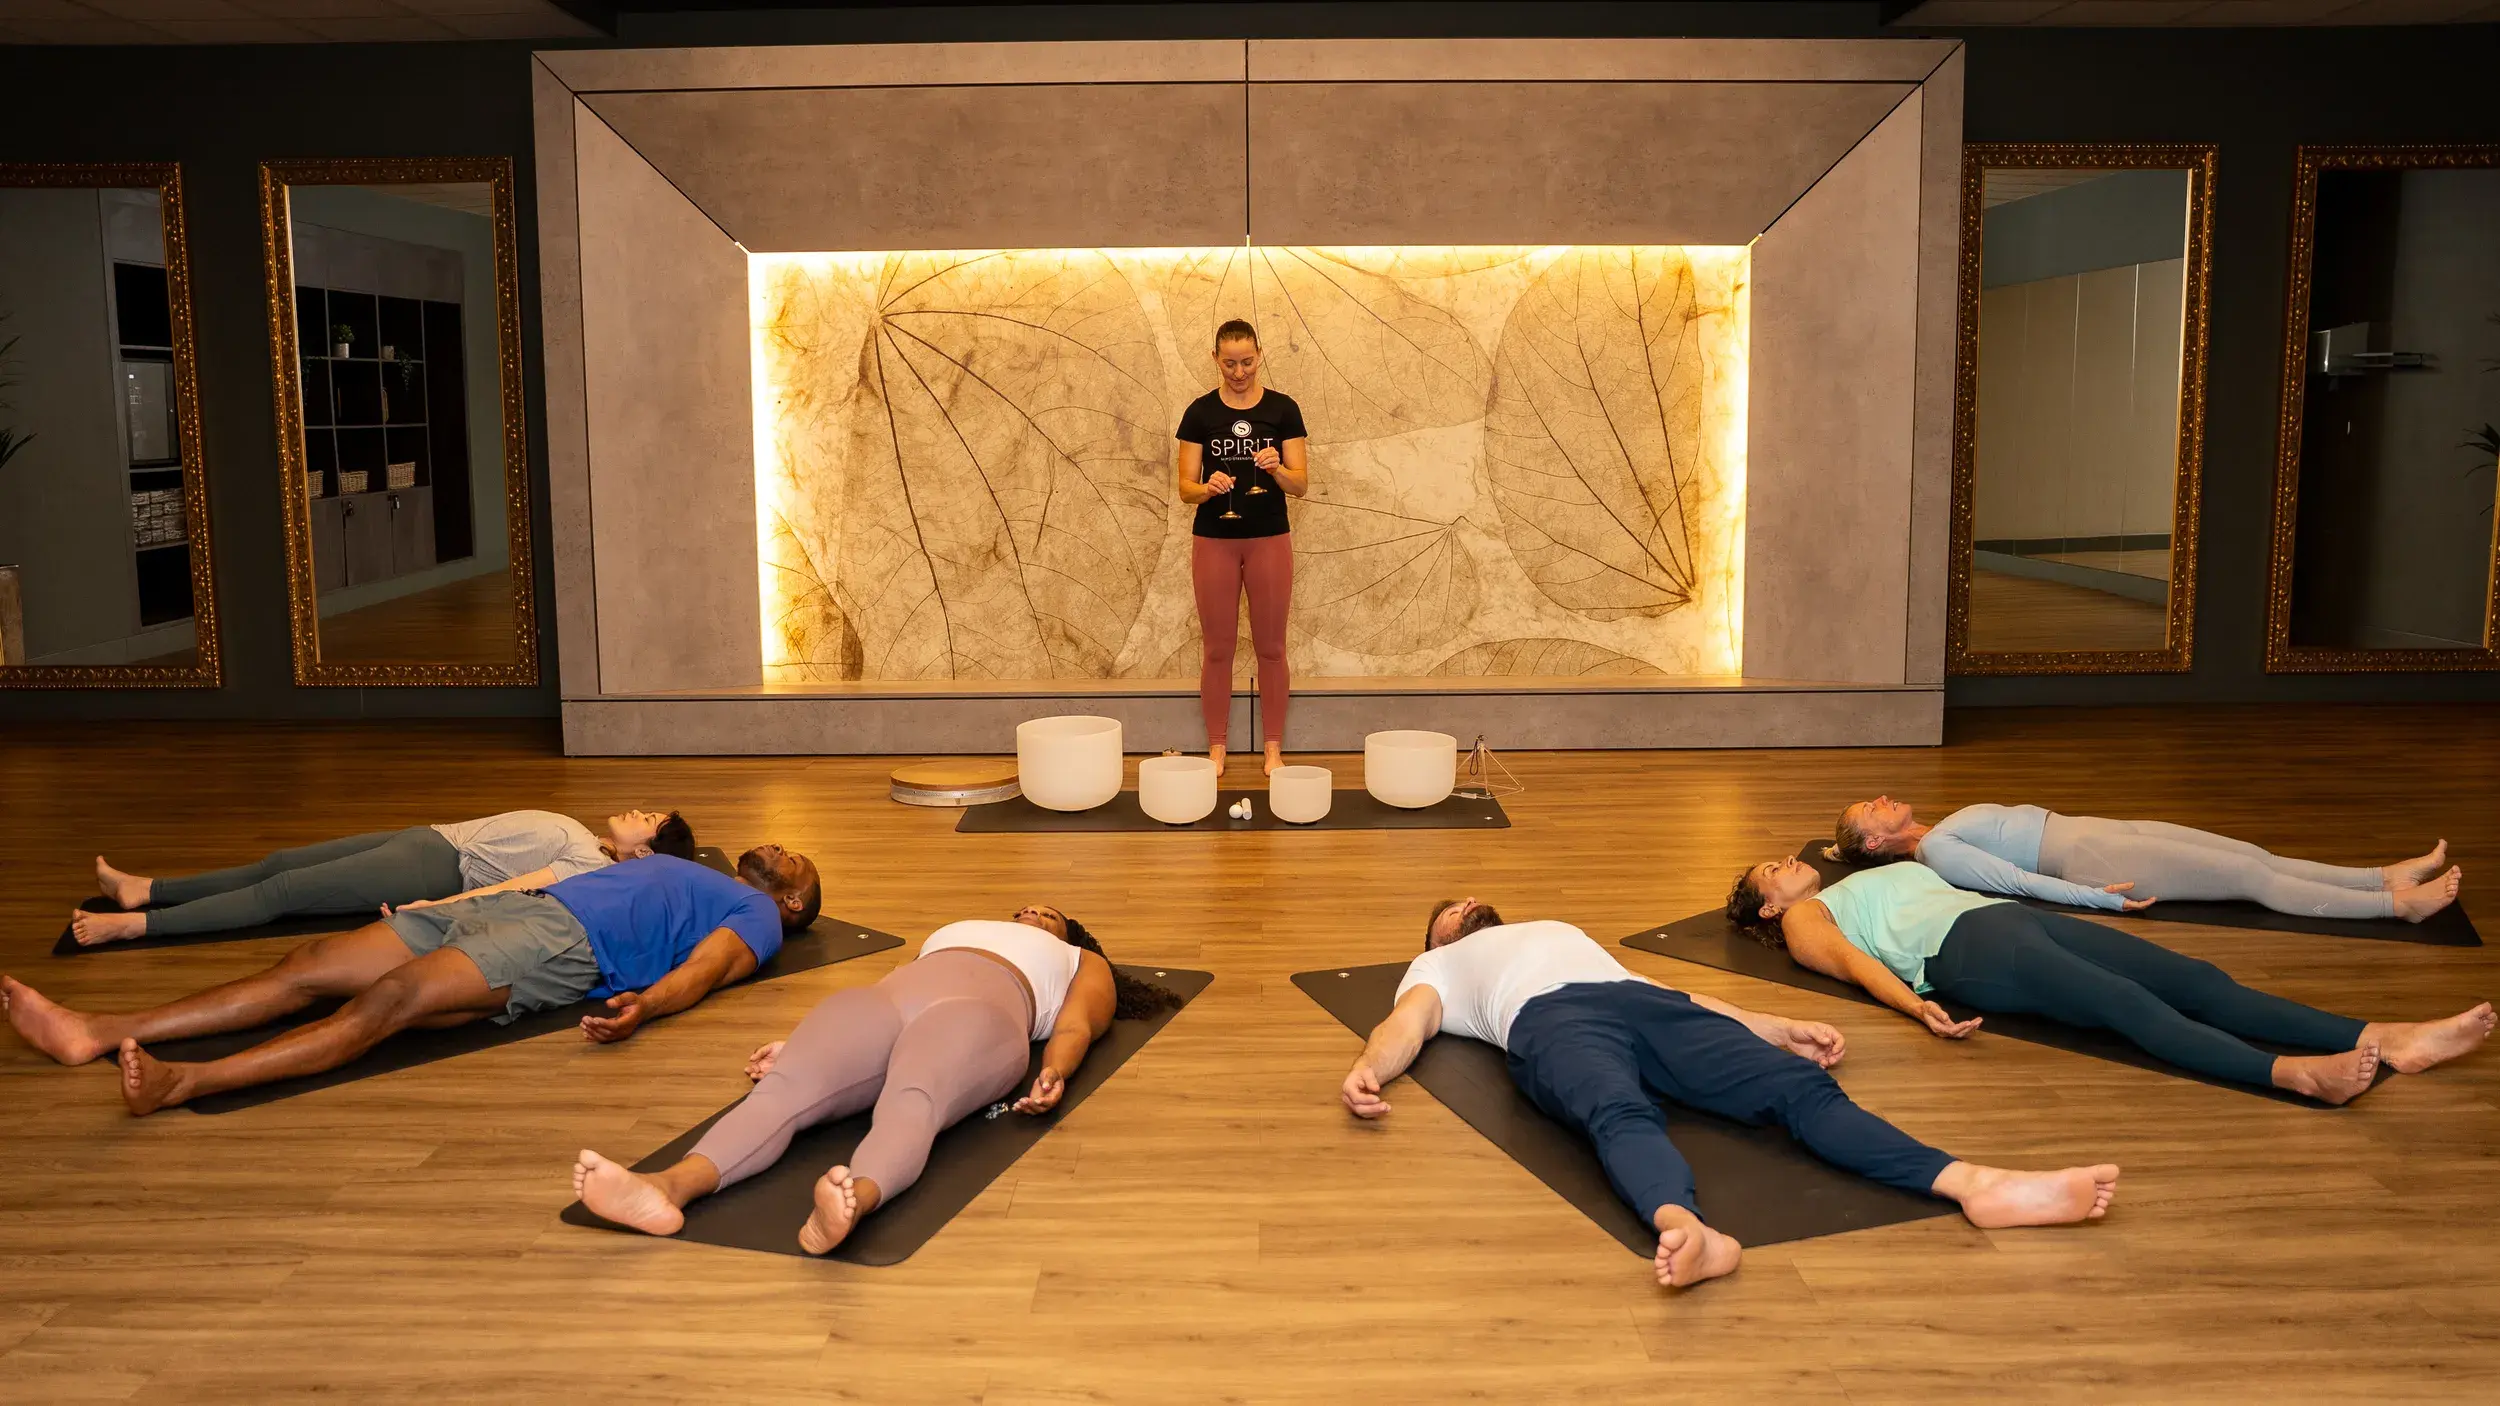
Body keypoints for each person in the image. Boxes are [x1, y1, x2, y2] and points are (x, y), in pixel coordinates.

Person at [1339, 898, 2121, 1290]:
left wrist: (1772, 1024)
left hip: (1644, 1004)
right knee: (1615, 1112)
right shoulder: (1439, 967)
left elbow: (1666, 990)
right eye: (1448, 912)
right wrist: (1372, 1067)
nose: (1464, 907)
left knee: (1795, 1089)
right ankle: (1688, 1228)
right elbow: (1409, 1023)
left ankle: (1975, 1183)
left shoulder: (1559, 930)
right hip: (1550, 1022)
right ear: (1439, 937)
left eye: (1470, 901)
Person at [3, 846, 822, 1116]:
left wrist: (645, 1006)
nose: (780, 845)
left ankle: (187, 1082)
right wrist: (465, 900)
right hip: (519, 906)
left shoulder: (755, 920)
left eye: (794, 861)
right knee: (310, 967)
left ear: (792, 902)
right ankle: (96, 1031)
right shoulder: (702, 864)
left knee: (389, 1004)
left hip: (562, 945)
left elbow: (703, 974)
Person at [573, 903, 1179, 1255]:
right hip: (886, 1003)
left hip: (979, 1018)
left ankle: (850, 1202)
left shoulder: (1080, 960)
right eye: (1026, 907)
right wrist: (797, 1043)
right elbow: (900, 974)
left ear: (1068, 934)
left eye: (1048, 914)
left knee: (913, 1098)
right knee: (785, 1087)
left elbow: (1078, 1025)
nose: (1031, 912)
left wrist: (1056, 1071)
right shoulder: (955, 929)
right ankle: (666, 1188)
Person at [1727, 855, 2494, 1105]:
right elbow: (1860, 967)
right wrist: (1918, 1006)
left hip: (1999, 918)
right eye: (1773, 870)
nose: (1787, 862)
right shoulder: (1804, 920)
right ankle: (2294, 1074)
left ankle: (2379, 1034)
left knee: (2195, 978)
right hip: (1965, 954)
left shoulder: (1861, 872)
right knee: (2126, 1004)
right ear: (1769, 902)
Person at [70, 809, 697, 946]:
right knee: (281, 862)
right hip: (427, 838)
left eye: (650, 820)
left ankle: (133, 925)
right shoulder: (590, 841)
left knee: (283, 894)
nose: (639, 812)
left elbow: (513, 888)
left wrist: (437, 905)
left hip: (432, 864)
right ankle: (147, 888)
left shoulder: (588, 864)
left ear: (645, 853)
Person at [1827, 796, 2460, 923]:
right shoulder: (1939, 850)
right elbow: (2018, 883)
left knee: (2248, 853)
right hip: (2089, 857)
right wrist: (2100, 898)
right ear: (1876, 843)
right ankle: (2393, 906)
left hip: (2098, 829)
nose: (1883, 799)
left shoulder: (1939, 828)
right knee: (2249, 879)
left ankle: (2379, 875)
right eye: (1871, 810)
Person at [1174, 319, 1310, 776]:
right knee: (1217, 648)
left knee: (1271, 647)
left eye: (1247, 361)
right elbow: (1184, 490)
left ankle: (1273, 748)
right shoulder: (1199, 414)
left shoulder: (1283, 410)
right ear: (1216, 359)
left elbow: (1301, 485)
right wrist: (1206, 487)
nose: (1238, 371)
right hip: (1214, 541)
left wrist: (1276, 470)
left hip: (1270, 539)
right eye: (1229, 363)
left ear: (1260, 355)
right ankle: (1217, 748)